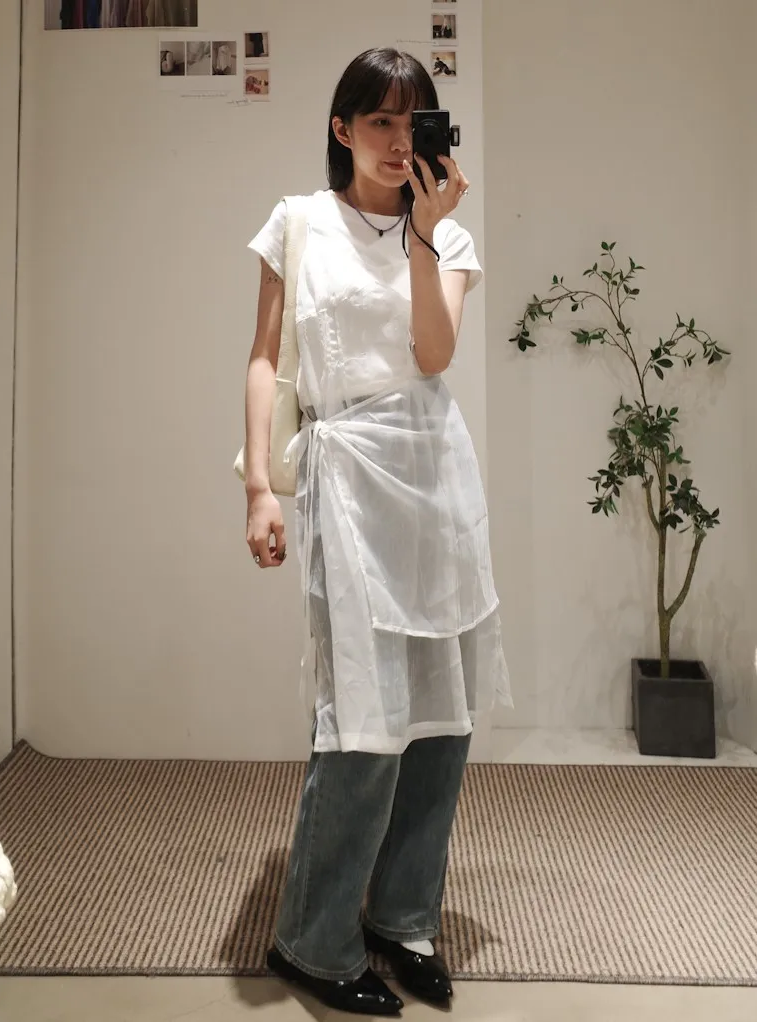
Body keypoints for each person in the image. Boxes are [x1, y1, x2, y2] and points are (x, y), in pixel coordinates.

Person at [243, 47, 512, 1016]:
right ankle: (313, 942)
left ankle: (403, 919)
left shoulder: (450, 235)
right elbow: (264, 358)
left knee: (440, 719)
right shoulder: (299, 223)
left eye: (416, 122)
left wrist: (427, 236)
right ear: (342, 128)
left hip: (434, 477)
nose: (401, 143)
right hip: (346, 475)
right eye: (382, 122)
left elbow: (431, 356)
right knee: (358, 716)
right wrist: (259, 487)